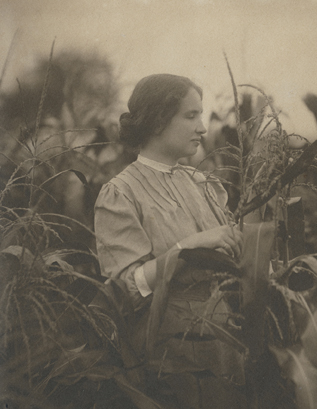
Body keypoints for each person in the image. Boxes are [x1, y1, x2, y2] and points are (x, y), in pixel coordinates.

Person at [94, 74, 246, 408]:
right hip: (174, 357)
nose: (203, 128)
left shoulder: (203, 184)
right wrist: (189, 247)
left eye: (201, 116)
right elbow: (127, 289)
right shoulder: (121, 193)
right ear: (158, 120)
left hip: (228, 342)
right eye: (191, 116)